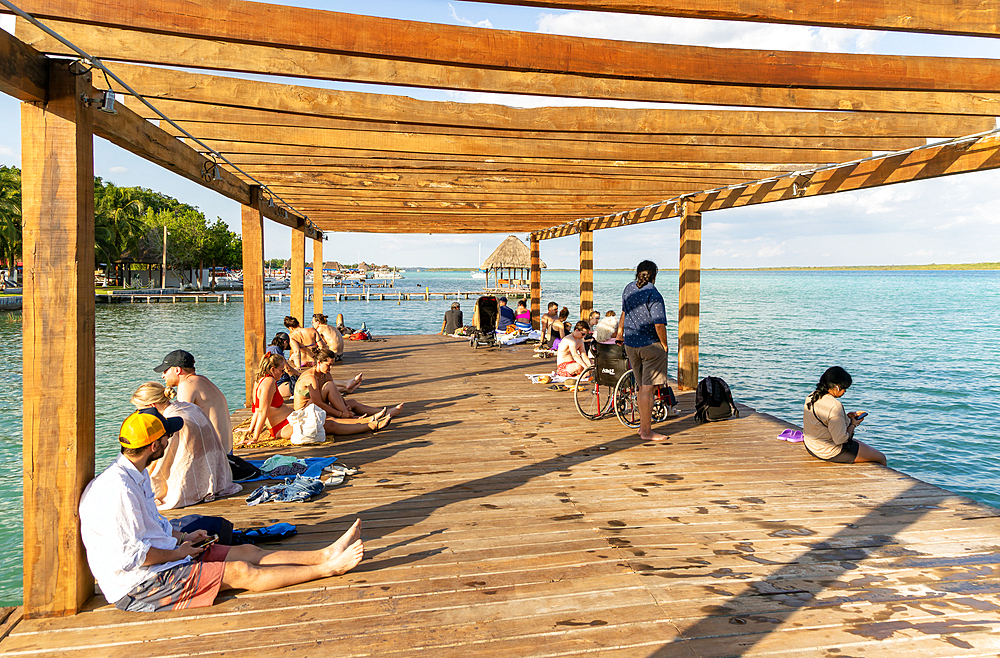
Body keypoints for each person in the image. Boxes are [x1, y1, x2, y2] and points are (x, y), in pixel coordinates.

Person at [79, 407, 364, 613]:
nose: (170, 440)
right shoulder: (118, 490)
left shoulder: (135, 474)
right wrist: (178, 553)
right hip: (140, 586)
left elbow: (150, 527)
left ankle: (323, 554)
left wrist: (181, 538)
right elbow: (134, 557)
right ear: (155, 445)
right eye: (167, 437)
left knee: (249, 552)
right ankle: (327, 569)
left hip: (165, 559)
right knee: (241, 571)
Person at [130, 382, 241, 510]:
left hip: (192, 483)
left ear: (152, 406)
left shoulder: (170, 422)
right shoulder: (190, 407)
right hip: (218, 476)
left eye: (140, 410)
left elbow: (161, 464)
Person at [246, 353, 387, 446]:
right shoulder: (269, 382)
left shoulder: (258, 381)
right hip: (282, 426)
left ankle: (367, 420)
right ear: (272, 370)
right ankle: (371, 425)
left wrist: (250, 429)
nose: (284, 373)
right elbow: (262, 412)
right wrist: (256, 438)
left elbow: (257, 411)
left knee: (327, 420)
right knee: (327, 425)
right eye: (282, 370)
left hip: (287, 421)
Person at [615, 260, 674, 441]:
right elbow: (659, 325)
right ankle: (647, 432)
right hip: (650, 345)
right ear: (654, 275)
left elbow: (624, 313)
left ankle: (643, 428)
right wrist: (664, 344)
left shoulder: (628, 288)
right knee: (648, 389)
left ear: (637, 273)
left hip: (631, 343)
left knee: (642, 388)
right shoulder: (654, 294)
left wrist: (619, 333)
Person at [295, 349, 402, 431]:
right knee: (330, 387)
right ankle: (359, 419)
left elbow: (335, 394)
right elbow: (317, 402)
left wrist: (344, 404)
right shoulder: (310, 378)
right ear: (318, 363)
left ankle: (383, 412)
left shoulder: (325, 375)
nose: (331, 368)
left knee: (352, 402)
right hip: (304, 412)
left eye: (332, 365)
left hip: (316, 406)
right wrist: (340, 414)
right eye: (328, 365)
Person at [155, 350, 234, 454]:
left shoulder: (187, 384)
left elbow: (181, 422)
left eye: (165, 371)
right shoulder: (202, 381)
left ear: (177, 370)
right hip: (227, 450)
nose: (163, 376)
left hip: (215, 454)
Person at [803, 366, 886, 465]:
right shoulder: (835, 406)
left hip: (811, 446)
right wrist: (854, 424)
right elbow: (841, 440)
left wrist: (846, 417)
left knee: (862, 446)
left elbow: (826, 422)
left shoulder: (811, 397)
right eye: (844, 388)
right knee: (881, 457)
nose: (845, 391)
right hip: (828, 451)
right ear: (837, 386)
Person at [265, 332, 300, 398]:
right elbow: (287, 368)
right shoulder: (276, 349)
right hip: (280, 382)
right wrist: (298, 373)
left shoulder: (267, 347)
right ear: (285, 342)